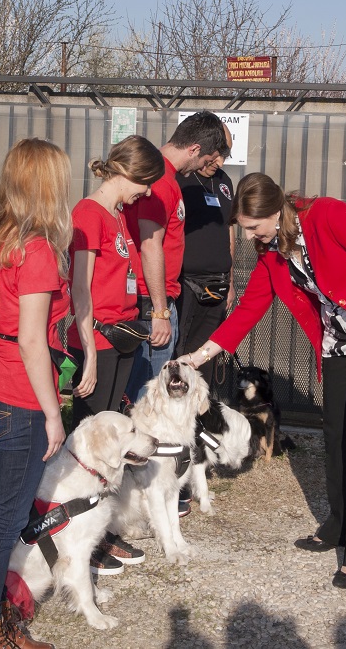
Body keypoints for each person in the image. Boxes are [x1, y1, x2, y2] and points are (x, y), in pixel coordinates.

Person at [180, 172, 346, 589]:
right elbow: (250, 308)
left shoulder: (327, 215)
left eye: (254, 227)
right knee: (335, 437)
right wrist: (202, 353)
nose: (252, 237)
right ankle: (338, 523)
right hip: (334, 346)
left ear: (275, 212)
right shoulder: (271, 250)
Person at [0, 138, 71, 649]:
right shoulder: (36, 249)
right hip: (20, 396)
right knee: (2, 519)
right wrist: (53, 414)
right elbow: (32, 338)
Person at [123, 111, 230, 405]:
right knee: (148, 393)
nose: (205, 167)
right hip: (151, 304)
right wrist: (160, 311)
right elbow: (150, 244)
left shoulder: (165, 176)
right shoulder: (160, 180)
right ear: (194, 149)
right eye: (206, 161)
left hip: (157, 300)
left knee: (147, 387)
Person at [68, 135, 163, 426]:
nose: (147, 192)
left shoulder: (118, 214)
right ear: (127, 174)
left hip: (121, 334)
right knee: (91, 431)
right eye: (146, 182)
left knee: (110, 424)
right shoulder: (88, 214)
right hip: (98, 338)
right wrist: (91, 354)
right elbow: (81, 288)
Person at [173, 123, 235, 518]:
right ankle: (174, 476)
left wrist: (231, 277)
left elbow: (229, 229)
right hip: (185, 289)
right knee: (179, 374)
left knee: (205, 379)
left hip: (218, 287)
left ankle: (197, 465)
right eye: (217, 154)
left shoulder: (226, 182)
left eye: (226, 154)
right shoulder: (182, 179)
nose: (221, 162)